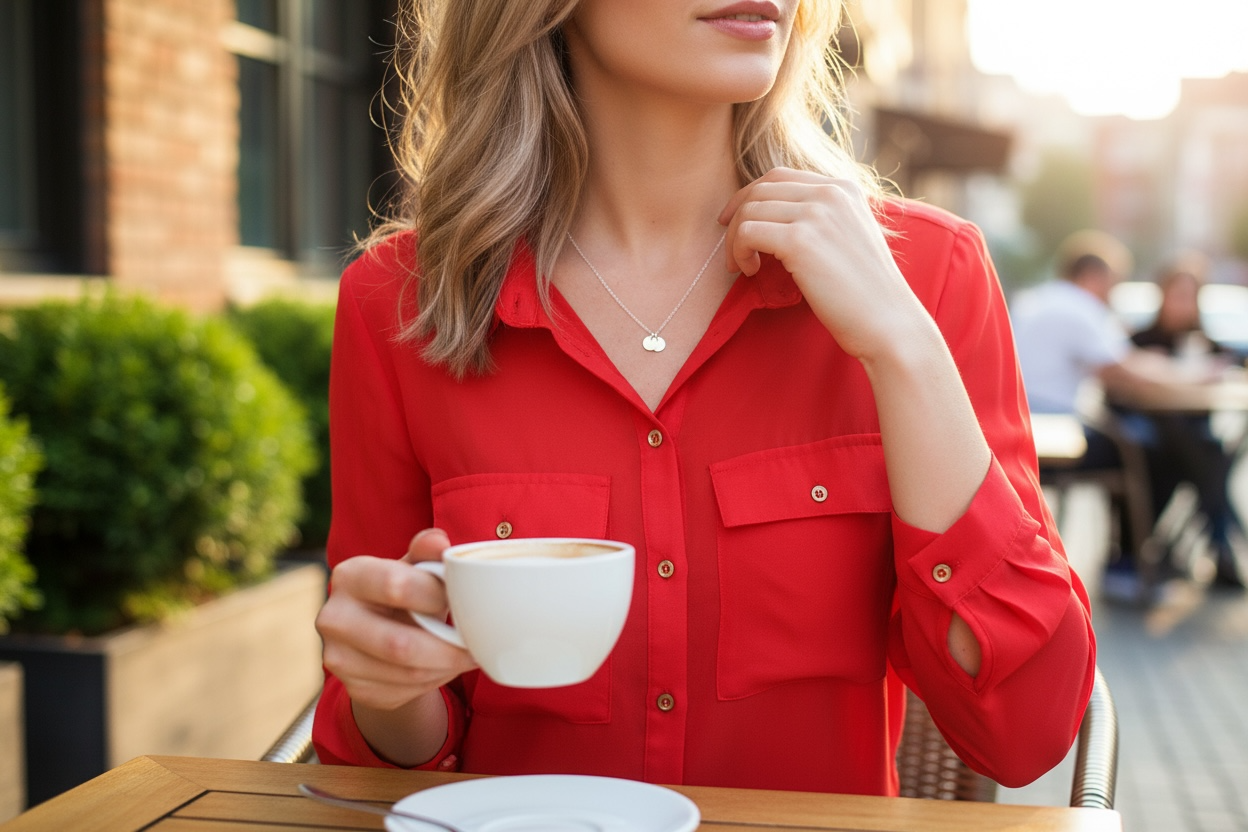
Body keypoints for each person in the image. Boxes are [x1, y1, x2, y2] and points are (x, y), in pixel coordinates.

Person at [312, 0, 1096, 796]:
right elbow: (371, 759)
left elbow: (1026, 731)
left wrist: (905, 348)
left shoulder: (927, 273)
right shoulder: (396, 303)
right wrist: (392, 684)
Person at [1130, 255, 1246, 589]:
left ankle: (1204, 550)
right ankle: (1223, 549)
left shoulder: (1207, 342)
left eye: (1190, 296)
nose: (1184, 303)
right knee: (1212, 458)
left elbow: (1234, 366)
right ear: (1163, 296)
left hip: (1195, 436)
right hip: (1156, 439)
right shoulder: (1142, 341)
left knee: (1210, 450)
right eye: (1178, 294)